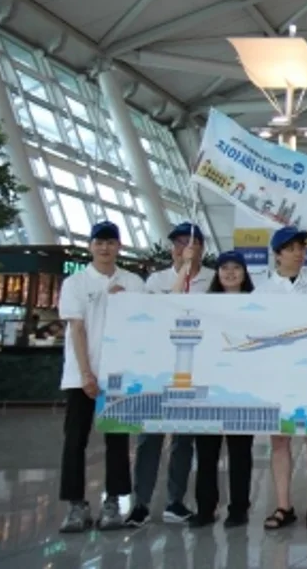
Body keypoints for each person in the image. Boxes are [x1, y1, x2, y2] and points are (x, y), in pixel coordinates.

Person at [255, 179, 307, 531]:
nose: (298, 253)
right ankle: (283, 505)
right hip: (277, 374)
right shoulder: (263, 290)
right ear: (277, 254)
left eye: (301, 247)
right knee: (279, 441)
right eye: (290, 248)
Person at [58, 221, 146, 533]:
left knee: (118, 440)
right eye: (99, 242)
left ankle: (113, 502)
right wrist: (86, 373)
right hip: (80, 375)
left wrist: (128, 304)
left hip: (119, 375)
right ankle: (75, 504)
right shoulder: (76, 283)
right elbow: (77, 329)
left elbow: (144, 324)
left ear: (119, 246)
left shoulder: (133, 282)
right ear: (91, 246)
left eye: (110, 242)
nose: (105, 248)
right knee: (75, 440)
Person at [127, 222, 213, 528]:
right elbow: (156, 314)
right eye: (178, 243)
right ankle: (141, 502)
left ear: (202, 247)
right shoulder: (157, 280)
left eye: (190, 243)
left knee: (183, 438)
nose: (183, 248)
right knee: (149, 436)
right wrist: (184, 270)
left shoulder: (212, 279)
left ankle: (175, 501)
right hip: (159, 367)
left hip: (196, 368)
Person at [189, 251, 257, 528]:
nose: (230, 272)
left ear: (244, 272)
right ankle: (205, 508)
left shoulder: (258, 304)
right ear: (217, 274)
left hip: (243, 388)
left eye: (236, 267)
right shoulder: (204, 305)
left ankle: (239, 508)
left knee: (240, 452)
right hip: (209, 386)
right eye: (224, 268)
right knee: (206, 452)